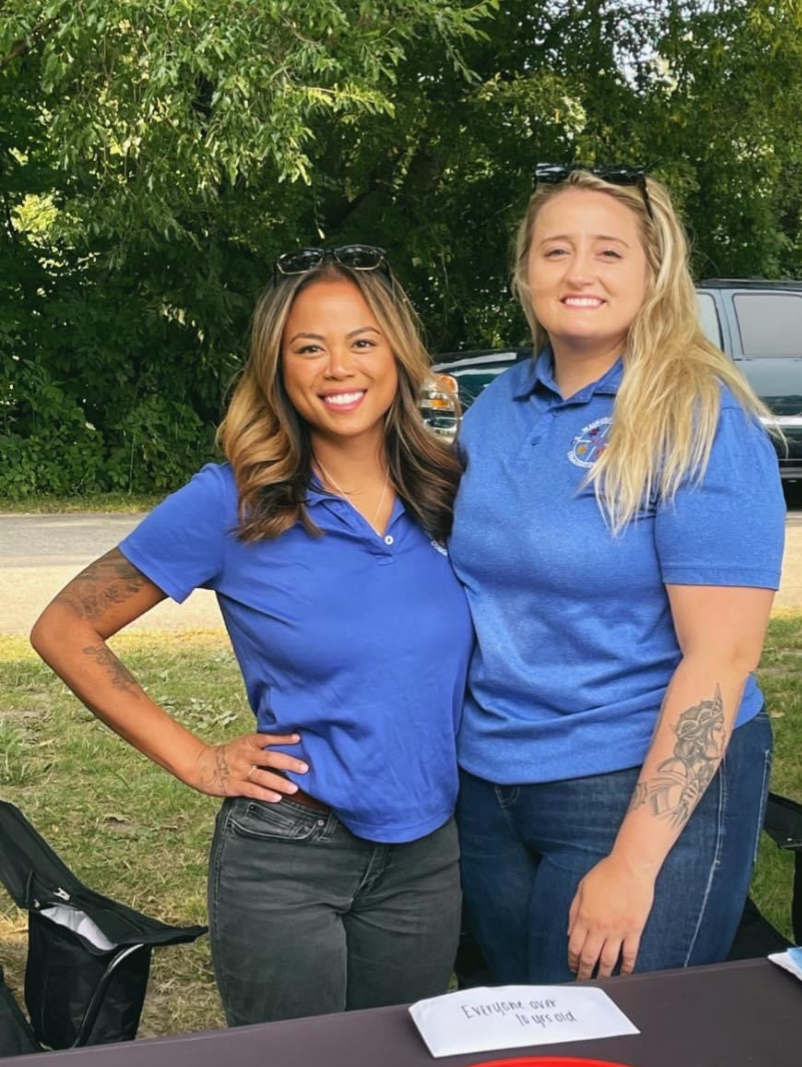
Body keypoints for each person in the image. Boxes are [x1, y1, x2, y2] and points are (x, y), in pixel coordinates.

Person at [30, 246, 473, 1025]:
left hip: (427, 855)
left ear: (399, 356)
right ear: (277, 366)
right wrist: (196, 757)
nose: (339, 366)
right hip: (289, 854)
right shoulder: (234, 500)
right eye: (309, 346)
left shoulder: (445, 487)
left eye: (362, 341)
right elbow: (65, 627)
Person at [448, 166, 786, 985]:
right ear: (524, 272)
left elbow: (722, 658)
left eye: (608, 252)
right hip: (489, 785)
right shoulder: (496, 408)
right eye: (555, 251)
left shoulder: (698, 415)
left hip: (629, 786)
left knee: (603, 1039)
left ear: (653, 272)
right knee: (510, 1028)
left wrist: (634, 865)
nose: (578, 274)